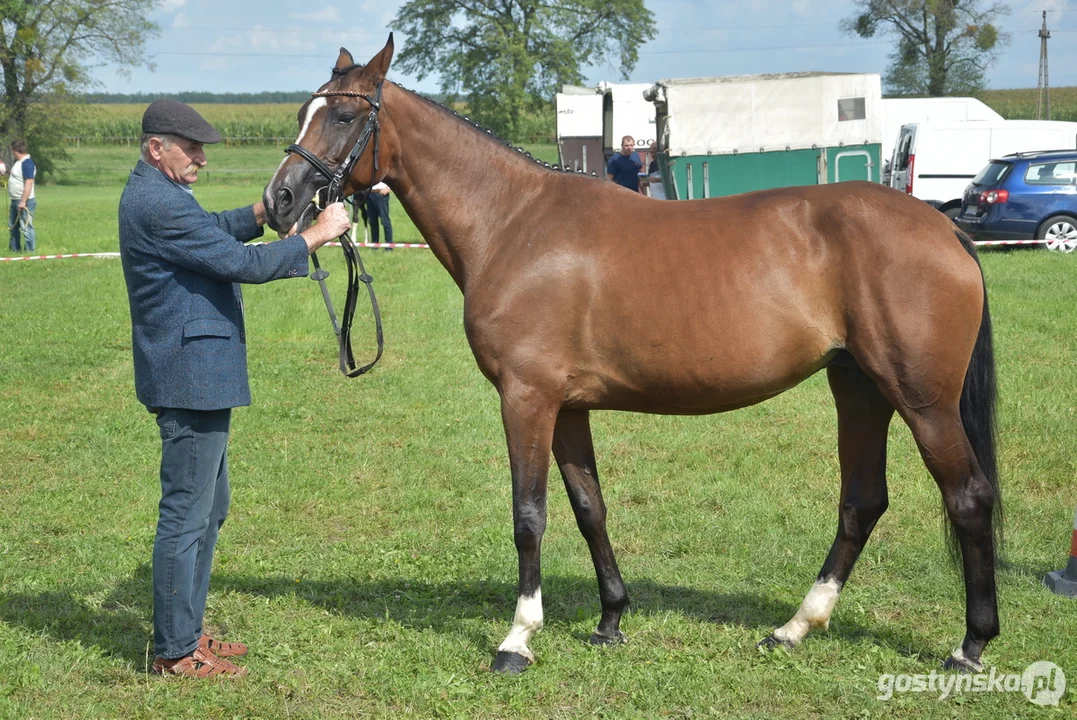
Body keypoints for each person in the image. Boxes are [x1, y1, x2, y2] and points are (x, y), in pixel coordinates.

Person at [118, 99, 351, 679]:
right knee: (186, 514)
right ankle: (175, 652)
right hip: (189, 376)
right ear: (156, 149)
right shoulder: (154, 201)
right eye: (191, 148)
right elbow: (238, 263)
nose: (201, 158)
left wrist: (261, 210)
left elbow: (211, 230)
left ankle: (187, 632)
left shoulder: (162, 193)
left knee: (209, 508)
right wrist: (317, 236)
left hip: (198, 372)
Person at [7, 140, 36, 252]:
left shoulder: (27, 163)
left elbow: (29, 182)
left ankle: (30, 252)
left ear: (15, 150)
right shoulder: (19, 162)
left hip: (24, 201)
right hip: (15, 200)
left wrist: (23, 202)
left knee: (26, 228)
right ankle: (15, 250)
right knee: (13, 227)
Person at [365, 181, 393, 249]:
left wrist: (388, 188)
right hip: (370, 193)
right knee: (372, 221)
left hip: (381, 194)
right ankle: (374, 244)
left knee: (384, 220)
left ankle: (389, 245)